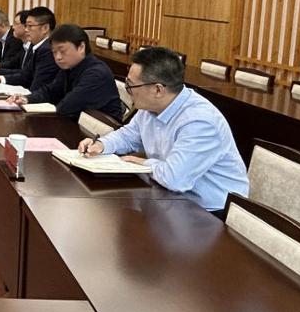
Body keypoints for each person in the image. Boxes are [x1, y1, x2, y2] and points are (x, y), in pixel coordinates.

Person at [78, 47, 248, 215]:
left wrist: (144, 163)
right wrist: (101, 145)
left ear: (158, 89)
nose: (127, 92)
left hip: (210, 212)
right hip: (170, 197)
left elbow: (174, 179)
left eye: (131, 85)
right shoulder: (150, 106)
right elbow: (128, 136)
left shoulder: (199, 121)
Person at [29, 23, 123, 120]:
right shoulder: (70, 66)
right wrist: (27, 99)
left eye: (62, 51)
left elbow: (67, 107)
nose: (58, 57)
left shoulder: (96, 74)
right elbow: (50, 92)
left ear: (81, 47)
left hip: (102, 127)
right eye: (54, 52)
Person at [0, 7, 59, 101]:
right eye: (26, 26)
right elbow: (25, 75)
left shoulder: (47, 50)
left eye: (30, 26)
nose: (26, 29)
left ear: (45, 28)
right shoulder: (39, 47)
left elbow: (37, 88)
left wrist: (25, 98)